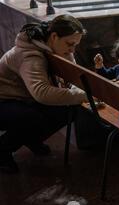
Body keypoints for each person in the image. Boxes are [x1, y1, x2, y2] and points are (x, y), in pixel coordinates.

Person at [0, 15, 88, 173]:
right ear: (54, 36)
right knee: (29, 117)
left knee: (70, 109)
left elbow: (71, 76)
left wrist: (68, 58)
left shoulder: (51, 45)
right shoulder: (30, 56)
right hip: (3, 101)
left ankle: (30, 138)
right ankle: (2, 151)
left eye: (75, 45)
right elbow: (41, 92)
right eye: (70, 44)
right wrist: (85, 95)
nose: (72, 50)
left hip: (22, 98)